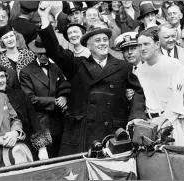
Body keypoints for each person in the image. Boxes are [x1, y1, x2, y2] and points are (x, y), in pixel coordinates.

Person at [37, 2, 146, 156]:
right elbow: (55, 50)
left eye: (104, 40)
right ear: (88, 46)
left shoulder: (123, 67)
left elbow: (137, 93)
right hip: (82, 134)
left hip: (112, 133)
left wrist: (136, 115)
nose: (102, 43)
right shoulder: (77, 65)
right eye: (97, 40)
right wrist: (44, 19)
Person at [136, 28, 184, 146]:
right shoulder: (139, 70)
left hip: (172, 123)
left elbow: (178, 97)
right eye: (139, 45)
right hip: (150, 124)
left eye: (146, 44)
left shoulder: (174, 65)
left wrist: (162, 120)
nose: (143, 48)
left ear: (156, 44)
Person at [20, 36, 71, 158]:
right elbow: (30, 99)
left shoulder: (55, 67)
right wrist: (55, 101)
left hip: (59, 120)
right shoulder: (26, 72)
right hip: (41, 122)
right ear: (35, 53)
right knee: (46, 157)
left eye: (46, 53)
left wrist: (64, 96)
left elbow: (64, 84)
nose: (43, 56)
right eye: (40, 54)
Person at [0, 66, 39, 161]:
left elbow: (34, 123)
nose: (0, 81)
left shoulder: (20, 95)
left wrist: (42, 147)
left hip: (26, 147)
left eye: (2, 76)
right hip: (0, 151)